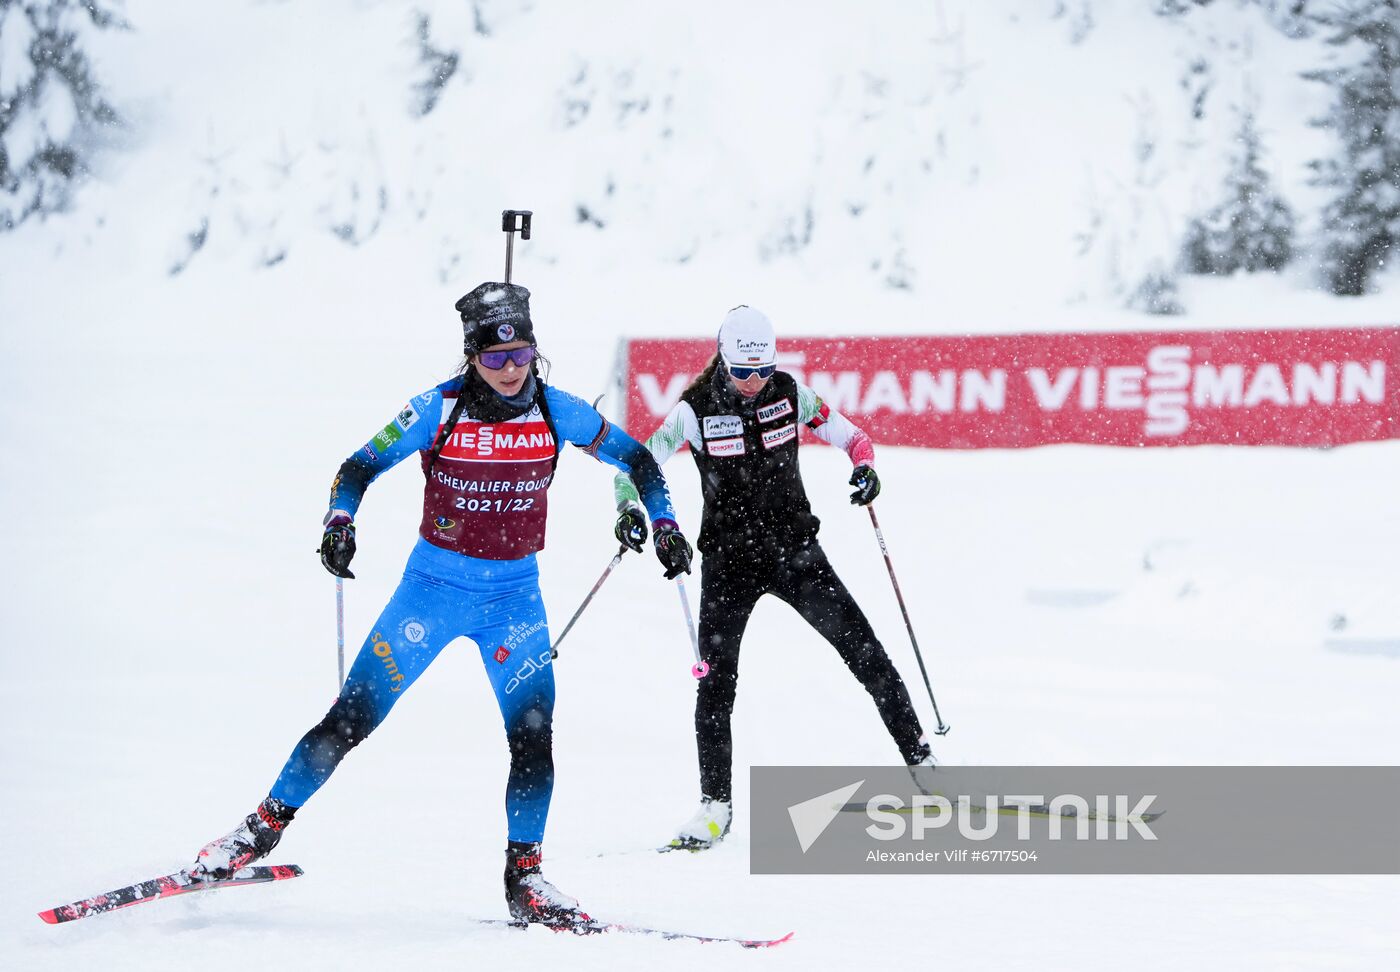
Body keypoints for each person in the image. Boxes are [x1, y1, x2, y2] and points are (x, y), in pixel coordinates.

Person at [191, 282, 693, 928]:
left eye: (523, 356)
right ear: (471, 355)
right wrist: (341, 521)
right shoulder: (437, 409)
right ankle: (255, 833)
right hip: (432, 591)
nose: (512, 371)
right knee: (350, 720)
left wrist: (667, 524)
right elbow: (359, 465)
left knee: (534, 740)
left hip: (515, 600)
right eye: (496, 357)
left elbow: (639, 460)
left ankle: (526, 879)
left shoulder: (556, 411)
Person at [612, 305, 935, 851]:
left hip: (796, 555)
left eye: (762, 371)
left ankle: (924, 762)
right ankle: (716, 805)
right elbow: (639, 465)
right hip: (728, 567)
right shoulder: (693, 411)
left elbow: (853, 438)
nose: (753, 384)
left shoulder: (791, 394)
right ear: (723, 361)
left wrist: (865, 468)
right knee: (716, 686)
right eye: (742, 373)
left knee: (866, 653)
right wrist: (630, 510)